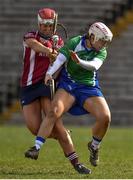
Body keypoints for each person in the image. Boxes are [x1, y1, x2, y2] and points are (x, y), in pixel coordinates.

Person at [20, 8, 91, 174]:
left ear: (55, 24)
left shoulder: (58, 41)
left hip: (47, 84)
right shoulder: (30, 36)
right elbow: (34, 46)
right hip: (29, 85)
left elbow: (60, 61)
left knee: (56, 124)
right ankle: (61, 134)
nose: (46, 28)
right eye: (43, 25)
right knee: (34, 128)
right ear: (39, 24)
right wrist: (49, 51)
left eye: (50, 25)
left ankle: (76, 162)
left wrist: (56, 56)